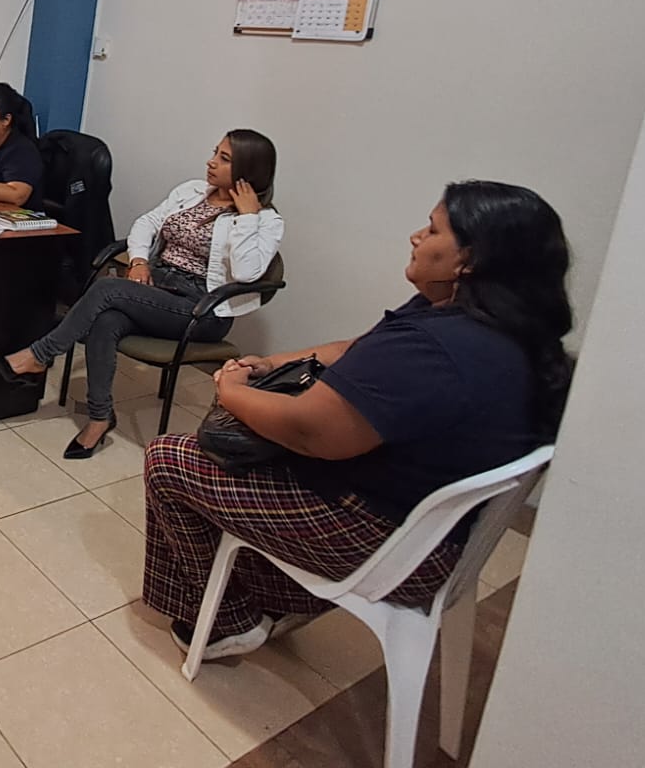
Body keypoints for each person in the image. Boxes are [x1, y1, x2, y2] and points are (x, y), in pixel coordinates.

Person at [141, 181, 573, 660]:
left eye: (432, 230)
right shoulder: (486, 322)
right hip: (421, 524)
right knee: (239, 452)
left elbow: (309, 431)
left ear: (468, 260)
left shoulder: (440, 348)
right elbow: (356, 348)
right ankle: (269, 596)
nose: (415, 237)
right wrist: (271, 363)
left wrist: (232, 391)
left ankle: (229, 621)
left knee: (171, 460)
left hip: (382, 538)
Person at [0, 131, 283, 460]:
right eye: (215, 152)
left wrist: (247, 216)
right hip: (159, 287)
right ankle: (100, 417)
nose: (211, 162)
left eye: (224, 158)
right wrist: (139, 261)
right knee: (106, 320)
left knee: (106, 288)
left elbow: (247, 273)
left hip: (202, 309)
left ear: (249, 169)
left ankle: (40, 354)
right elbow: (147, 222)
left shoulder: (266, 221)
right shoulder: (191, 191)